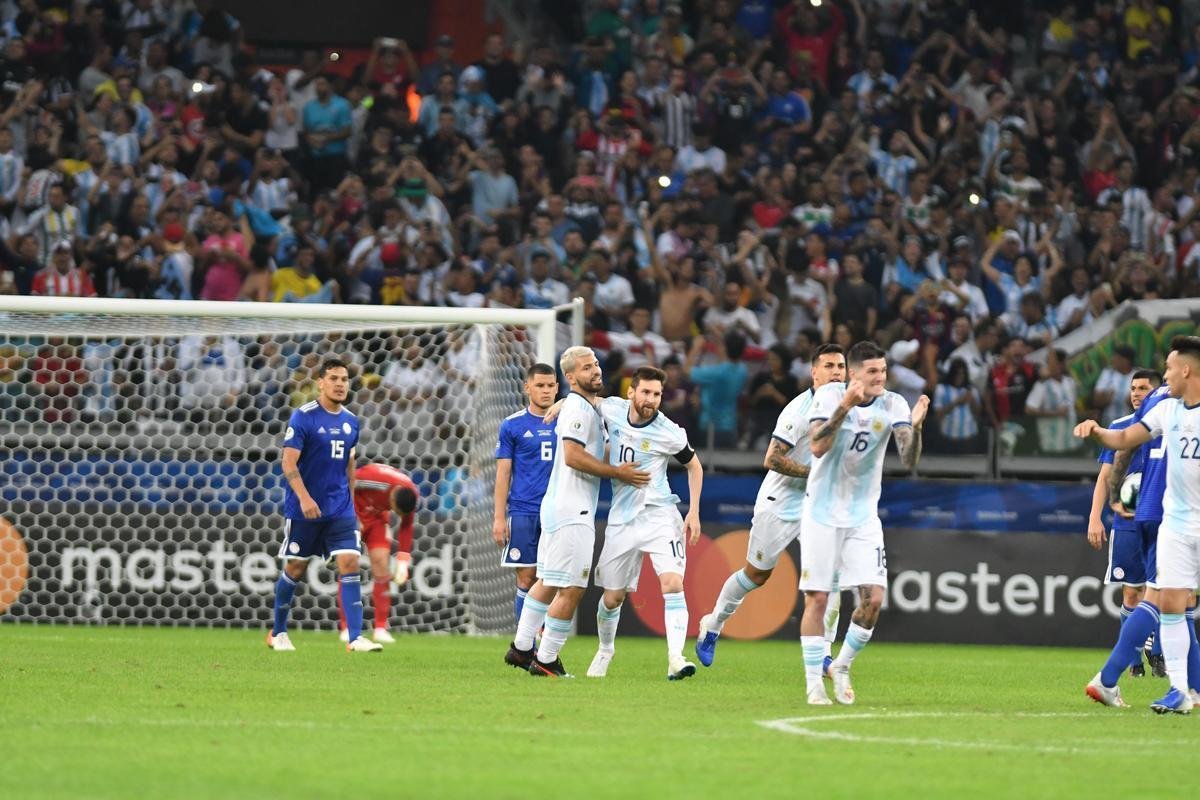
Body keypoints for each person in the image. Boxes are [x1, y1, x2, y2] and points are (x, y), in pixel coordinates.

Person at [696, 344, 847, 670]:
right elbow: (772, 459)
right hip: (780, 503)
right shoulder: (799, 410)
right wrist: (816, 474)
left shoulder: (847, 408)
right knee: (756, 575)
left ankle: (824, 654)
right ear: (814, 373)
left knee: (831, 575)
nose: (836, 372)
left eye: (841, 366)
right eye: (829, 366)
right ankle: (713, 624)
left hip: (816, 505)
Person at [503, 346, 649, 677]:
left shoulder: (582, 406)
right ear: (570, 377)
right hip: (573, 511)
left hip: (559, 507)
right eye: (586, 367)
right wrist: (617, 472)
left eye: (595, 364)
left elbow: (590, 448)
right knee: (572, 588)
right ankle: (546, 660)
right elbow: (572, 455)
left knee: (547, 581)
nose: (595, 370)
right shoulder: (579, 409)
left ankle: (521, 648)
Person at [1076, 337, 1200, 713]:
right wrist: (1098, 432)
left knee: (1170, 602)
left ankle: (1183, 688)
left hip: (1158, 513)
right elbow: (1125, 438)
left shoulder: (1161, 401)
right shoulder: (1167, 406)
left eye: (1169, 368)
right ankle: (1177, 689)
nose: (1164, 375)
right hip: (1173, 520)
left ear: (1187, 369)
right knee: (1170, 602)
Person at [800, 342, 928, 705]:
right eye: (872, 371)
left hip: (862, 517)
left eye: (883, 371)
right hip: (822, 513)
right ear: (853, 374)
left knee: (873, 599)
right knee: (818, 599)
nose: (880, 378)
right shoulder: (829, 397)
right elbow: (817, 447)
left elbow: (908, 459)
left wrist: (916, 428)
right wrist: (845, 406)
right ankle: (813, 684)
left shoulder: (893, 404)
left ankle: (841, 665)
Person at [583, 366, 705, 680]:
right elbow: (585, 399)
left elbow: (695, 467)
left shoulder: (669, 431)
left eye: (657, 394)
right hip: (623, 519)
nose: (651, 399)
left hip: (660, 514)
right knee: (612, 597)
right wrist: (559, 404)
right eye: (646, 392)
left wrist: (693, 512)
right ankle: (605, 650)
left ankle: (676, 658)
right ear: (631, 392)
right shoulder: (612, 408)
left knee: (673, 583)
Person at [268, 358, 382, 653]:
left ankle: (355, 638)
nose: (340, 384)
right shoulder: (303, 417)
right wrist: (305, 498)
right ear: (320, 383)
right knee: (295, 567)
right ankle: (278, 632)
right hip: (304, 509)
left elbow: (350, 466)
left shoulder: (351, 421)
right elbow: (288, 462)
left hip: (340, 508)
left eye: (344, 379)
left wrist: (353, 508)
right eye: (333, 378)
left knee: (350, 562)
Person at [1086, 369, 1162, 677]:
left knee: (1164, 590)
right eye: (1133, 388)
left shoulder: (1171, 426)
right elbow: (1105, 478)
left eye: (1143, 388)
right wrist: (1095, 518)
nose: (1136, 393)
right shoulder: (1119, 428)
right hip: (1127, 523)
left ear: (1158, 392)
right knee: (1132, 593)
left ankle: (1158, 653)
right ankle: (1133, 660)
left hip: (1163, 520)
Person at [492, 363, 559, 623]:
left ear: (557, 388)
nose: (546, 390)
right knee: (526, 577)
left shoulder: (568, 421)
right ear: (527, 387)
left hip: (558, 511)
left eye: (550, 385)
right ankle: (526, 640)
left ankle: (543, 635)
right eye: (540, 385)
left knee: (552, 579)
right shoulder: (512, 425)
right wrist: (499, 518)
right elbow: (503, 473)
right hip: (524, 511)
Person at [333, 462, 419, 645]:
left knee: (381, 565)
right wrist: (349, 516)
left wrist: (403, 561)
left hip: (377, 519)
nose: (395, 513)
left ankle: (380, 628)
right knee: (348, 566)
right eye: (394, 509)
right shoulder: (373, 479)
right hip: (354, 513)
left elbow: (407, 525)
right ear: (392, 496)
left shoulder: (411, 494)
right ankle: (347, 627)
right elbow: (344, 483)